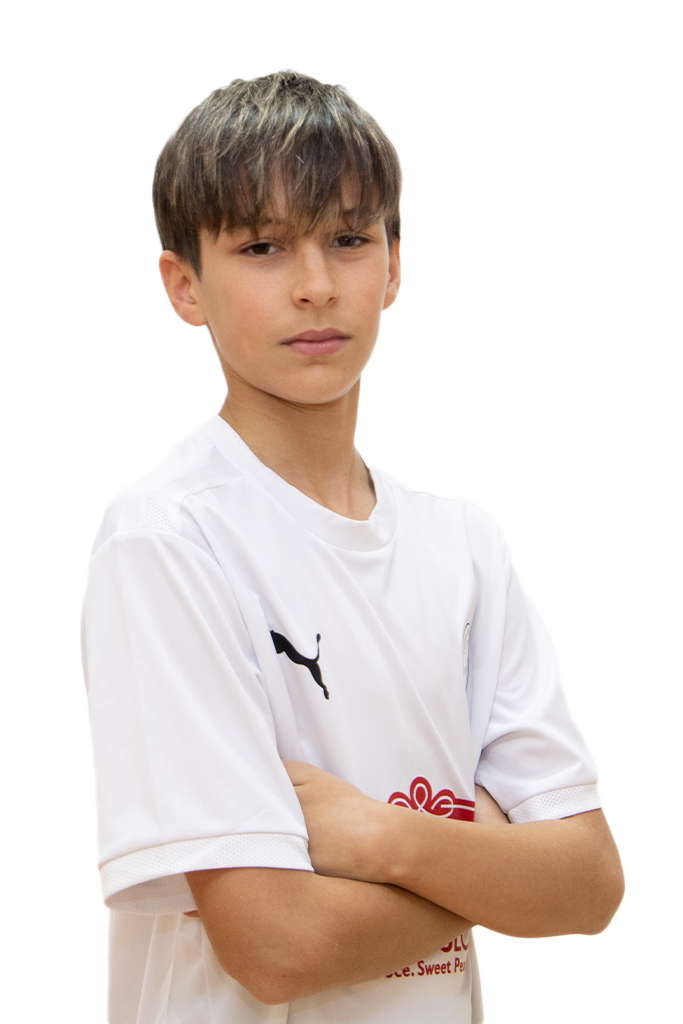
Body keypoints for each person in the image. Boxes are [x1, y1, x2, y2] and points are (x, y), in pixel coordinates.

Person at [82, 70, 624, 1024]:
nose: (316, 286)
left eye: (347, 238)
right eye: (261, 246)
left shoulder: (460, 546)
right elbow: (276, 947)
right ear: (184, 285)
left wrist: (379, 838)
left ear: (394, 264)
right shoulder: (168, 541)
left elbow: (587, 884)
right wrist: (492, 862)